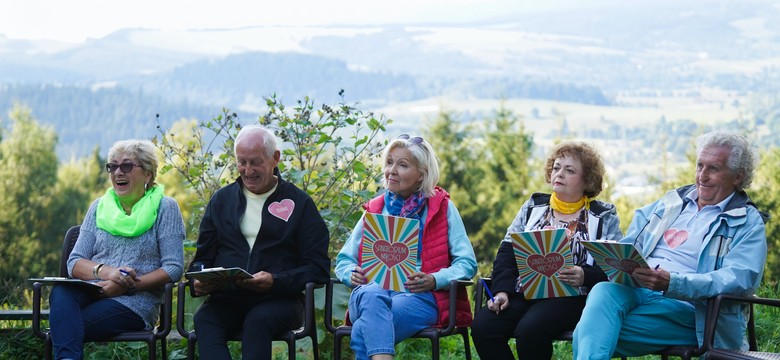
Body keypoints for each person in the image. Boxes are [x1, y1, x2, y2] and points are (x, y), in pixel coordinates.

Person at [572, 131, 768, 359]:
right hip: (639, 289)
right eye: (699, 166)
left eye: (713, 168)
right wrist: (617, 257)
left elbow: (739, 279)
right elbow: (632, 242)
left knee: (589, 332)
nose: (701, 176)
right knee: (604, 290)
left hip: (692, 309)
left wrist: (673, 283)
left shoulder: (746, 221)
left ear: (737, 176)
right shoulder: (673, 202)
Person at [470, 141, 623, 359]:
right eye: (556, 167)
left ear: (586, 180)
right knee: (484, 327)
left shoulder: (604, 215)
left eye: (569, 170)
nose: (559, 174)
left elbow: (615, 265)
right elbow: (506, 254)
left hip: (572, 298)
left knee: (530, 330)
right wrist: (502, 291)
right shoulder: (533, 206)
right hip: (523, 292)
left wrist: (585, 275)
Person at [189, 125, 330, 360]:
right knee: (205, 318)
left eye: (255, 162)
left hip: (281, 300)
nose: (247, 170)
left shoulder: (300, 203)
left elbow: (318, 269)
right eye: (241, 162)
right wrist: (198, 280)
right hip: (229, 297)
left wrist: (275, 281)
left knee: (258, 320)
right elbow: (202, 259)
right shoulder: (221, 200)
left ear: (275, 158)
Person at [334, 134, 477, 360]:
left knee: (363, 331)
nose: (392, 170)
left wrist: (434, 279)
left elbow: (467, 263)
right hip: (370, 291)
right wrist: (350, 274)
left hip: (420, 296)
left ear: (422, 174)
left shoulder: (442, 208)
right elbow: (344, 260)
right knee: (372, 293)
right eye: (389, 162)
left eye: (402, 165)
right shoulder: (374, 209)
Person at [49, 139, 185, 360]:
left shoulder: (165, 208)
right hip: (92, 291)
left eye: (127, 166)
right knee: (61, 292)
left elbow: (173, 268)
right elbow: (75, 262)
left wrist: (125, 286)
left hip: (135, 302)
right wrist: (109, 272)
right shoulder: (98, 208)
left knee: (66, 325)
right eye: (112, 166)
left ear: (148, 174)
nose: (118, 172)